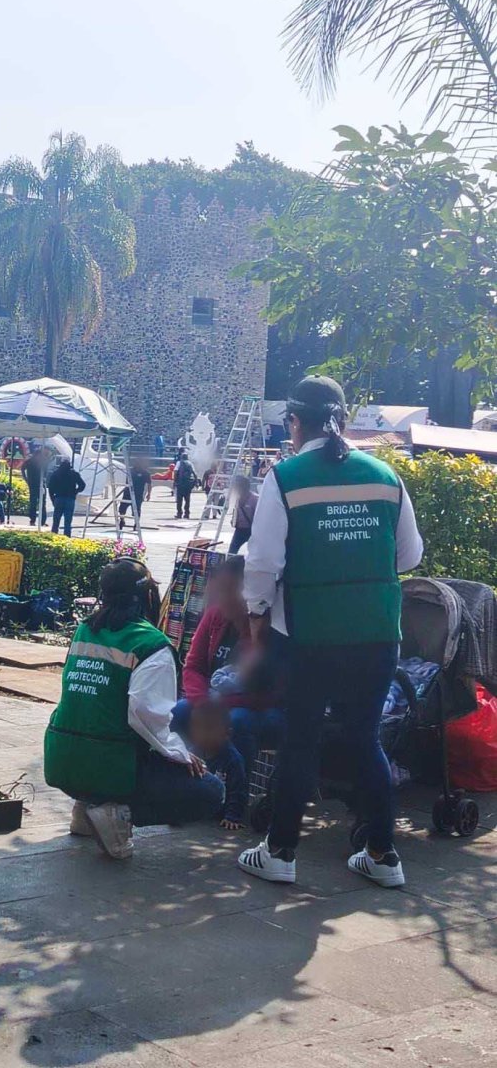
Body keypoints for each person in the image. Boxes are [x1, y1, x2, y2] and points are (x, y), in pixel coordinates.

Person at [238, 375, 424, 889]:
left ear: (295, 422)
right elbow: (409, 555)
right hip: (378, 635)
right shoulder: (384, 475)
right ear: (340, 420)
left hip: (308, 637)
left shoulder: (285, 478)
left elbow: (263, 563)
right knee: (366, 739)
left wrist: (257, 615)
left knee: (300, 740)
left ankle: (280, 852)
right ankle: (383, 855)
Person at [44, 558, 223, 860]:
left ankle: (86, 807)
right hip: (110, 765)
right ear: (147, 595)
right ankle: (117, 814)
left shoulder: (84, 630)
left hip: (61, 761)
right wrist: (179, 753)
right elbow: (144, 714)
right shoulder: (151, 644)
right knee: (211, 791)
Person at [182, 556, 284, 775]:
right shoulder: (214, 616)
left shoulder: (269, 625)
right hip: (213, 702)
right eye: (220, 591)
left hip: (263, 708)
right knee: (179, 711)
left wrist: (219, 706)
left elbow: (270, 689)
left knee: (237, 720)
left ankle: (235, 790)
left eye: (231, 590)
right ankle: (186, 781)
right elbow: (193, 666)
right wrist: (202, 702)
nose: (224, 598)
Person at [170, 698, 248, 829]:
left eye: (210, 729)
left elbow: (238, 790)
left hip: (220, 810)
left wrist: (232, 816)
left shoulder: (233, 760)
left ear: (226, 734)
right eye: (197, 728)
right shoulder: (193, 751)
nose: (203, 734)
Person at [48, 459, 86, 537]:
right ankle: (67, 536)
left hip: (59, 497)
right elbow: (82, 485)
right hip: (70, 498)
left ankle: (54, 535)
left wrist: (52, 499)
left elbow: (51, 488)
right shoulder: (74, 474)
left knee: (56, 519)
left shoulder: (56, 473)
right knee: (68, 520)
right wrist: (76, 491)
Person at [228, 475, 259, 554]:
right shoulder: (236, 497)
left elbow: (259, 516)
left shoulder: (255, 499)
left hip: (252, 530)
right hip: (239, 530)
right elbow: (235, 511)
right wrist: (234, 520)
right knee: (231, 551)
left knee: (255, 553)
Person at [120, 458, 152, 529]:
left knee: (137, 510)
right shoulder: (130, 471)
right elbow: (126, 481)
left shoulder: (146, 473)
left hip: (138, 494)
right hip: (127, 493)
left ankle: (136, 524)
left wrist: (149, 494)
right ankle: (122, 520)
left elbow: (149, 484)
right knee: (122, 508)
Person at [21, 448, 48, 527]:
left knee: (35, 502)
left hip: (34, 484)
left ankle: (34, 520)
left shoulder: (30, 461)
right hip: (39, 484)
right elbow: (45, 473)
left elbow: (22, 468)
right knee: (40, 502)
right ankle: (39, 521)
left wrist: (26, 479)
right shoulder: (41, 461)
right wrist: (26, 479)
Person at [173, 451, 197, 520]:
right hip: (188, 484)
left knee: (179, 500)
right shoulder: (190, 463)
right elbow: (194, 473)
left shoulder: (179, 463)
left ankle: (179, 513)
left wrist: (175, 481)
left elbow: (175, 472)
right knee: (187, 500)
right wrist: (195, 482)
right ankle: (187, 513)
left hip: (180, 483)